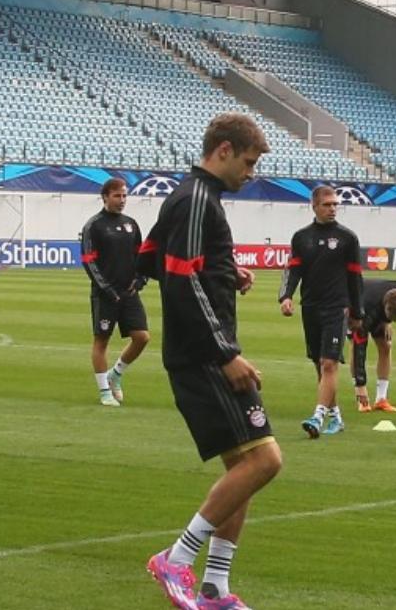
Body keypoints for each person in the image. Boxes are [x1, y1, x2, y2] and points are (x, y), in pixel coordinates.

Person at [141, 113, 281, 610]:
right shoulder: (198, 199)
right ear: (223, 150)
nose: (251, 172)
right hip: (205, 355)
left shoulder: (190, 197)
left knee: (241, 464)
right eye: (248, 162)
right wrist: (226, 355)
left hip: (199, 350)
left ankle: (215, 588)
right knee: (265, 460)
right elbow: (179, 278)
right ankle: (176, 558)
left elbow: (150, 257)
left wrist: (225, 272)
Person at [278, 185, 363, 438]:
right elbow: (293, 270)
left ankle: (317, 417)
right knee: (320, 363)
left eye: (335, 204)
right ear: (314, 206)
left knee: (329, 363)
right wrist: (286, 296)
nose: (333, 209)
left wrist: (357, 312)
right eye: (327, 205)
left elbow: (355, 278)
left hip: (336, 308)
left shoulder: (348, 238)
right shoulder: (301, 237)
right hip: (311, 307)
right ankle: (335, 416)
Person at [80, 176, 150, 406]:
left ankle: (116, 374)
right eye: (117, 196)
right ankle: (104, 392)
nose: (122, 200)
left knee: (142, 337)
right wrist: (106, 288)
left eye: (124, 195)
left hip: (129, 293)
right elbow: (89, 261)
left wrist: (140, 279)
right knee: (101, 342)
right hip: (105, 295)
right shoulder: (94, 226)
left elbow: (142, 256)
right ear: (105, 197)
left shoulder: (131, 224)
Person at [350, 278, 396, 412]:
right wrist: (360, 384)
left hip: (379, 310)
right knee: (356, 347)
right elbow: (359, 347)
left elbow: (394, 307)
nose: (394, 321)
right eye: (392, 317)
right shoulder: (367, 309)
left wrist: (387, 321)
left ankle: (381, 399)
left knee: (386, 345)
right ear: (386, 307)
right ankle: (361, 397)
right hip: (355, 309)